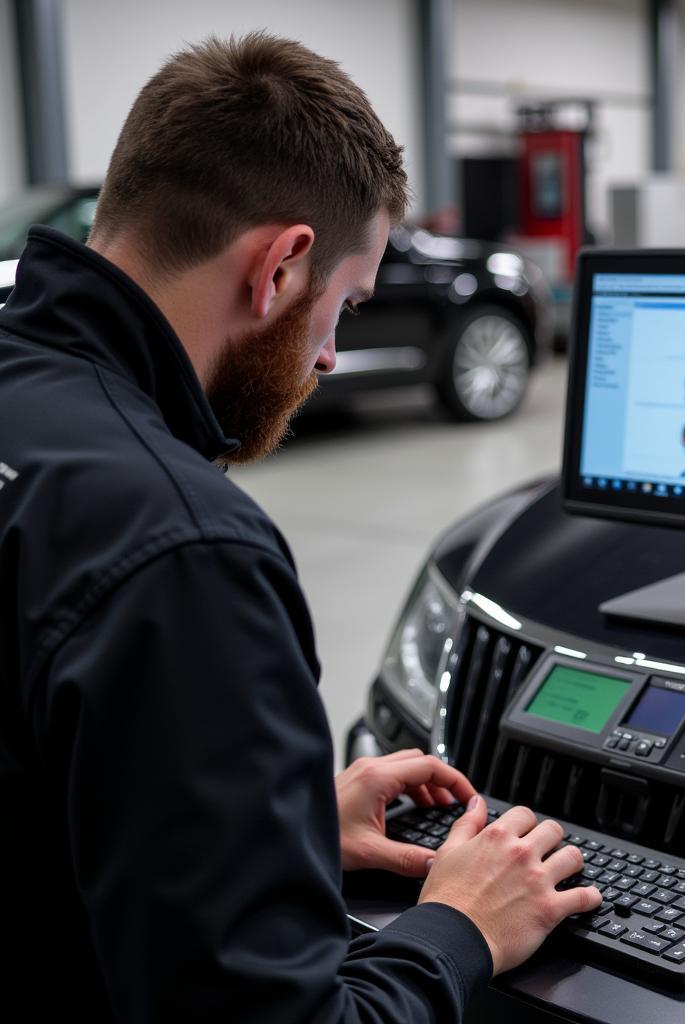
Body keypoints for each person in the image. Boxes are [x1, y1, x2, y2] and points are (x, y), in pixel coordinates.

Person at [0, 32, 600, 1023]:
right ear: (281, 266)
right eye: (347, 306)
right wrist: (459, 925)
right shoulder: (184, 550)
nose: (326, 357)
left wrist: (267, 826)